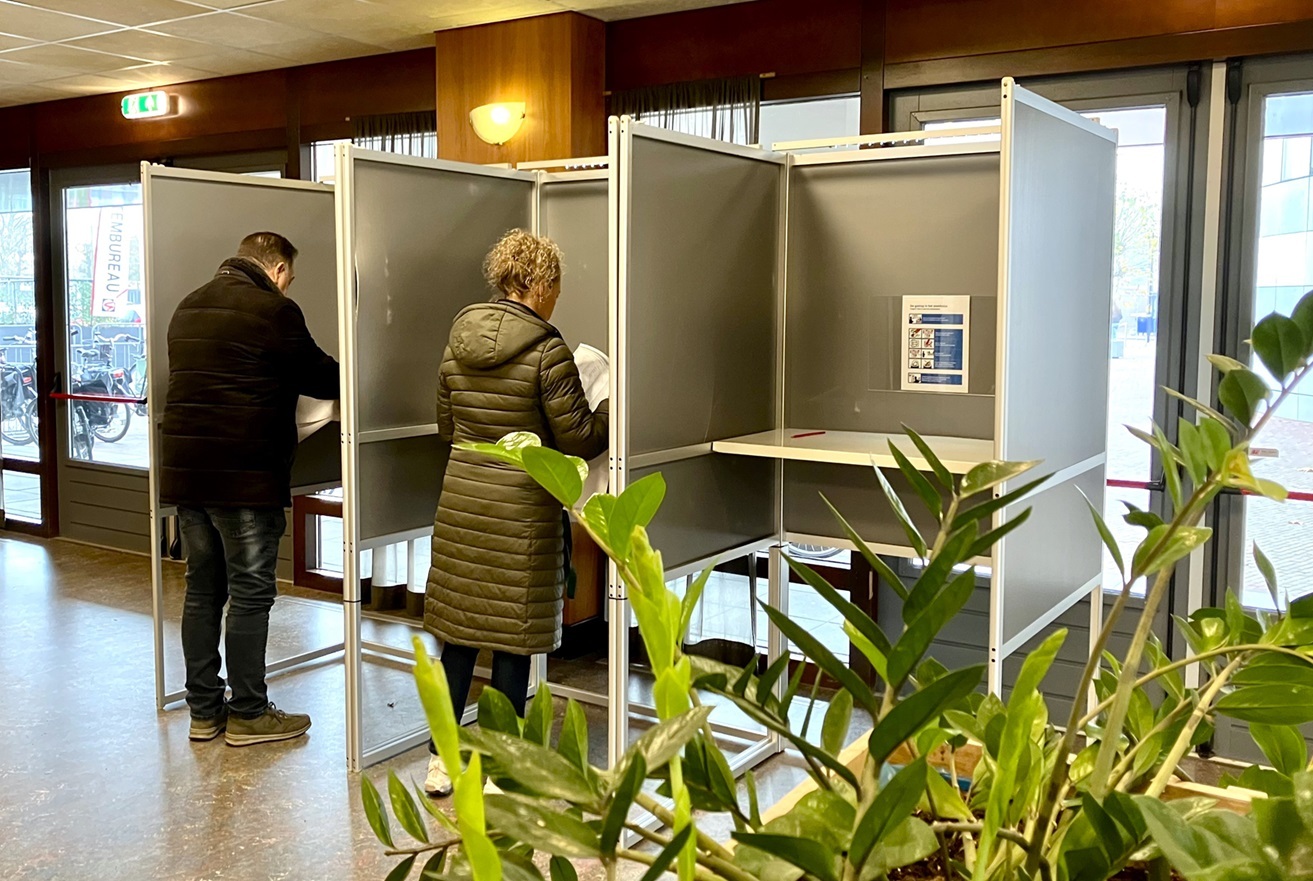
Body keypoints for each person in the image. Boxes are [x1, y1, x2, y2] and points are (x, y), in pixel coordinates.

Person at [423, 229, 608, 797]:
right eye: (556, 286)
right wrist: (610, 410)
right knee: (511, 635)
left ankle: (441, 761)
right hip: (522, 507)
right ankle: (503, 768)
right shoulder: (548, 348)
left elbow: (446, 427)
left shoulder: (458, 339)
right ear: (541, 283)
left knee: (458, 634)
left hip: (462, 501)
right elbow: (576, 438)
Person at [161, 232, 339, 747]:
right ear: (278, 269)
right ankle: (249, 714)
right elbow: (323, 377)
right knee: (250, 593)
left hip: (188, 476)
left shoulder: (187, 306)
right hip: (243, 477)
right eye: (289, 280)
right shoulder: (272, 311)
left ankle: (203, 712)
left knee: (202, 591)